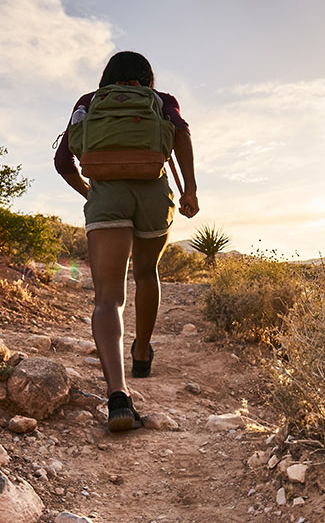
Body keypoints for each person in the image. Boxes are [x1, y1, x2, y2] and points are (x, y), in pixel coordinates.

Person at [54, 51, 199, 432]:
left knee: (107, 298)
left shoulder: (89, 102)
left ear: (107, 77)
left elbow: (63, 162)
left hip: (107, 195)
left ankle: (118, 395)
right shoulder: (162, 101)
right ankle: (141, 351)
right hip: (153, 194)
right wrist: (190, 190)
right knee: (147, 273)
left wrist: (92, 193)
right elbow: (181, 135)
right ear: (147, 77)